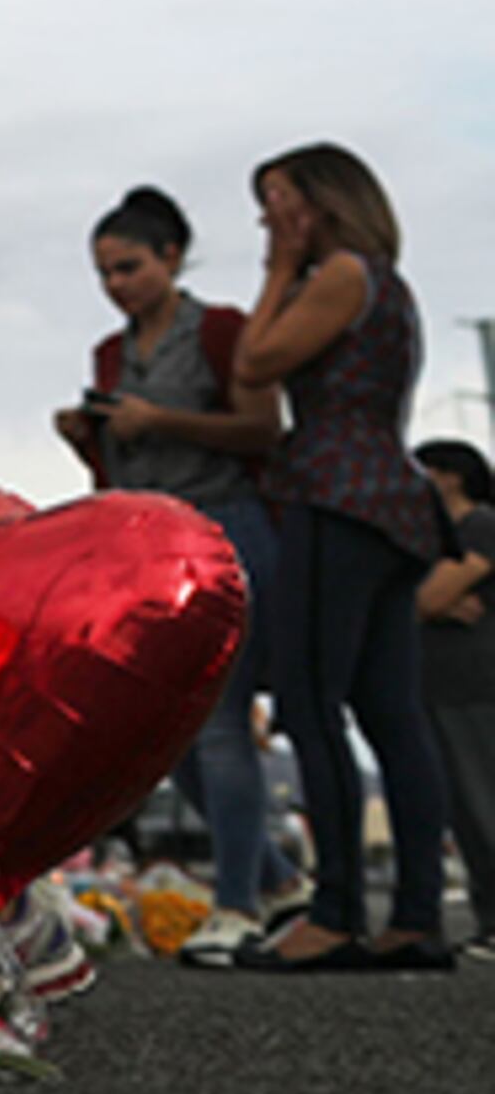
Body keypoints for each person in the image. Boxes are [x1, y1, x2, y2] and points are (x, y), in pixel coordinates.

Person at [230, 145, 454, 971]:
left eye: (276, 202)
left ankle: (333, 914)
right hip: (391, 501)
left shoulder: (340, 275)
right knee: (392, 711)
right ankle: (418, 915)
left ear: (319, 203)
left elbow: (253, 363)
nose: (266, 220)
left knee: (309, 698)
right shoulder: (387, 282)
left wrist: (278, 269)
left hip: (337, 496)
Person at [53, 187, 287, 964]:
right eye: (103, 273)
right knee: (164, 734)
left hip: (228, 527)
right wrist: (91, 436)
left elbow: (263, 429)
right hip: (148, 542)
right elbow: (119, 465)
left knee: (218, 718)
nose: (116, 284)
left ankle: (238, 902)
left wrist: (161, 421)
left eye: (127, 266)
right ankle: (276, 879)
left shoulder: (221, 331)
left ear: (172, 258)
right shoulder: (110, 354)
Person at [409, 439, 495, 958]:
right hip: (439, 686)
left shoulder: (480, 526)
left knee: (484, 802)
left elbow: (424, 599)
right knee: (465, 810)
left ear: (450, 476)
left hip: (475, 686)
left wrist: (426, 602)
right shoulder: (435, 539)